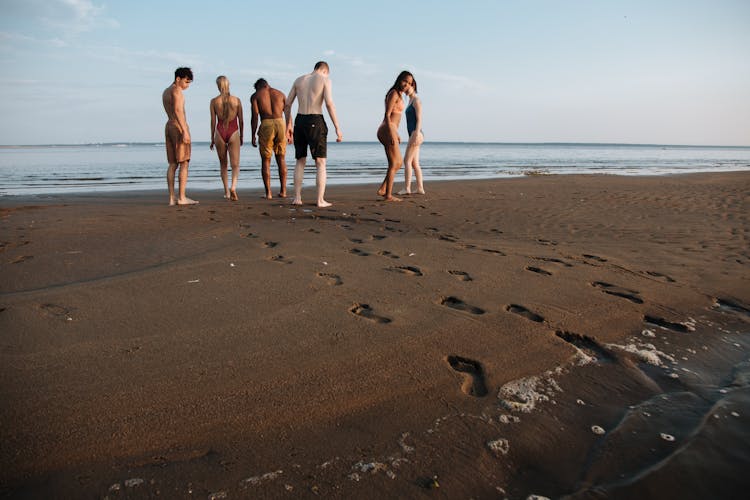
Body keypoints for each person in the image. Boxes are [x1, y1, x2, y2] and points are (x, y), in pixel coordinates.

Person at [285, 61, 343, 208]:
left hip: (299, 120)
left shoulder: (299, 80)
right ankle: (320, 200)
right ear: (325, 71)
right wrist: (337, 127)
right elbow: (329, 103)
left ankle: (297, 198)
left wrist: (288, 125)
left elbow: (287, 104)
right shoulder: (324, 79)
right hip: (315, 119)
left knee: (300, 160)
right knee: (320, 162)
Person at [376, 71, 414, 202]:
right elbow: (387, 115)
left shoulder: (400, 95)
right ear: (399, 80)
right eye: (405, 81)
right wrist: (392, 132)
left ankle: (383, 189)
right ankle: (388, 195)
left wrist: (396, 133)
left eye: (409, 83)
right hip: (387, 129)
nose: (406, 85)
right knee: (395, 163)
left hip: (391, 129)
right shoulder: (394, 93)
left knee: (397, 163)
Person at [163, 67, 198, 205]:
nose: (187, 86)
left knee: (172, 163)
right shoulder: (177, 91)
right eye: (186, 82)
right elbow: (178, 110)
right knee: (184, 162)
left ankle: (172, 198)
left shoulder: (166, 91)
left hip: (169, 125)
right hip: (178, 127)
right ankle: (182, 198)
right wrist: (185, 130)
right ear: (178, 79)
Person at [250, 78, 288, 199]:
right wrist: (289, 130)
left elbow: (255, 116)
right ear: (267, 85)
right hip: (281, 123)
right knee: (281, 158)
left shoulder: (256, 95)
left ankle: (269, 193)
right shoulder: (280, 94)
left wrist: (253, 135)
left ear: (258, 87)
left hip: (266, 124)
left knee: (266, 160)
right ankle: (283, 191)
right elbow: (287, 112)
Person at [210, 76, 244, 201]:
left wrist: (212, 138)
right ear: (228, 84)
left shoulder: (214, 101)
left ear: (218, 86)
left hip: (219, 132)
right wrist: (242, 136)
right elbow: (241, 120)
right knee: (235, 165)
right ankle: (233, 187)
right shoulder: (236, 100)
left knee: (223, 165)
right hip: (233, 131)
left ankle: (227, 192)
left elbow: (213, 121)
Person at [398, 78, 425, 195]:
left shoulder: (416, 100)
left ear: (412, 85)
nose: (405, 90)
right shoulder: (410, 101)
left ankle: (407, 188)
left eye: (406, 87)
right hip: (415, 133)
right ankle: (420, 188)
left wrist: (415, 134)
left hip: (416, 133)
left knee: (407, 161)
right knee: (414, 163)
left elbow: (419, 119)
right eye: (403, 89)